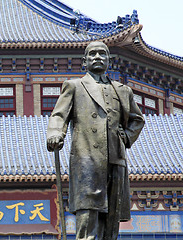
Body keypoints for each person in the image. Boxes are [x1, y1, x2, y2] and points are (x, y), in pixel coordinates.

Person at [46, 41, 145, 240]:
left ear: (109, 60)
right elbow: (59, 115)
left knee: (112, 217)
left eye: (102, 53)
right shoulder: (74, 86)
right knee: (88, 211)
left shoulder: (122, 90)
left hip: (116, 159)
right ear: (85, 61)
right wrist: (55, 133)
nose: (97, 57)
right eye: (92, 54)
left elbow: (137, 119)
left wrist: (125, 137)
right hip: (87, 158)